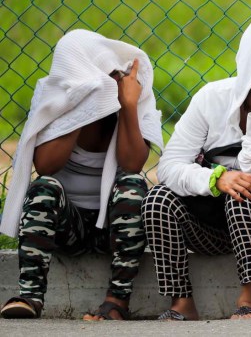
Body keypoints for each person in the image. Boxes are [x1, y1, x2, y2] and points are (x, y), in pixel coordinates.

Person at [142, 16, 251, 321]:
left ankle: (250, 299)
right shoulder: (212, 99)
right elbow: (169, 166)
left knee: (246, 189)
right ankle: (182, 303)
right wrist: (216, 178)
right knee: (157, 200)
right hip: (217, 228)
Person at [0, 29, 163, 320]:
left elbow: (133, 163)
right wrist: (80, 105)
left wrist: (126, 107)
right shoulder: (55, 96)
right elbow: (47, 166)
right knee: (43, 188)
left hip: (113, 228)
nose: (110, 81)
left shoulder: (133, 98)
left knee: (133, 186)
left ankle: (117, 301)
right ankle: (30, 297)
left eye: (113, 74)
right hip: (68, 225)